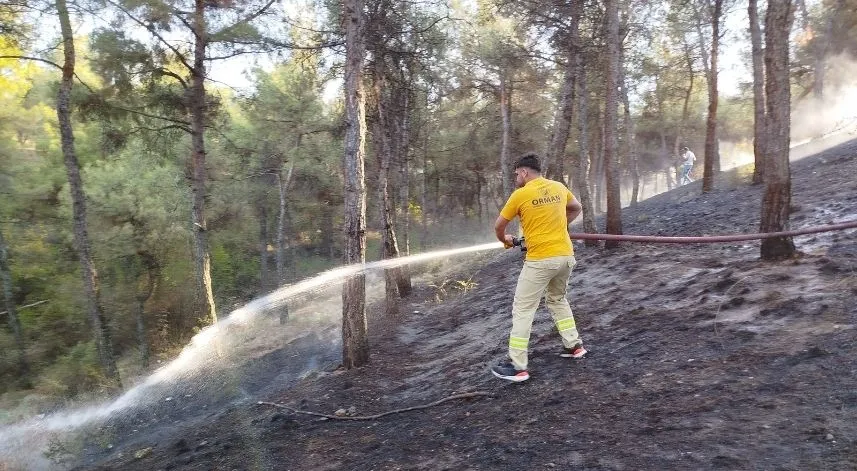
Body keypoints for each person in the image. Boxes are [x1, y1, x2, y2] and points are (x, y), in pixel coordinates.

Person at [490, 153, 587, 382]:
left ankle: (518, 366)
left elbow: (499, 226)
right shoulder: (558, 187)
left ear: (524, 172)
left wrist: (506, 240)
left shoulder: (521, 194)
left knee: (523, 309)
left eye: (516, 174)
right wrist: (559, 225)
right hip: (565, 256)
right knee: (557, 300)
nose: (516, 178)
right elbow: (576, 207)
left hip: (540, 260)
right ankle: (574, 346)